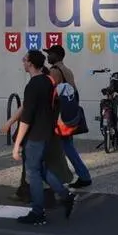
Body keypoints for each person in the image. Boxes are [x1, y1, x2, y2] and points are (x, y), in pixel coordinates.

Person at [12, 49, 75, 225]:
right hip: (47, 134)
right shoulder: (48, 80)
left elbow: (26, 118)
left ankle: (38, 213)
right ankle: (66, 195)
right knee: (41, 169)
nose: (23, 62)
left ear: (31, 63)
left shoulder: (32, 86)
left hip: (35, 136)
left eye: (25, 59)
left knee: (33, 174)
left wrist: (17, 145)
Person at [44, 45, 93, 189]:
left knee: (65, 147)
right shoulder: (67, 70)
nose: (48, 56)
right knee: (67, 146)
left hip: (60, 116)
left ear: (57, 56)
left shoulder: (54, 71)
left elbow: (50, 94)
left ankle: (81, 176)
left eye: (50, 54)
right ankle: (82, 176)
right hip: (69, 113)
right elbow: (74, 92)